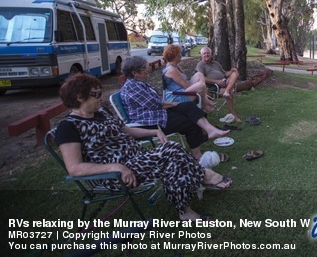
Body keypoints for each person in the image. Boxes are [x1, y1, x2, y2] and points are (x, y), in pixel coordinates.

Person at [53, 73, 232, 221]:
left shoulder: (100, 113)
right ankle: (203, 176)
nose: (101, 98)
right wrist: (117, 167)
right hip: (116, 175)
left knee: (172, 151)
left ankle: (186, 208)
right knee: (171, 152)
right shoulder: (68, 127)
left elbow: (126, 130)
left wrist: (153, 132)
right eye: (96, 94)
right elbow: (75, 168)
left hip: (137, 160)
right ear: (79, 97)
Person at [120, 56, 229, 160]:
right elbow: (155, 104)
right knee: (190, 122)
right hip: (150, 122)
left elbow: (156, 102)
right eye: (144, 68)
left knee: (188, 106)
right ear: (135, 73)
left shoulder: (138, 83)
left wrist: (172, 104)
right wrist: (172, 104)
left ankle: (210, 130)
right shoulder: (133, 87)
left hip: (158, 113)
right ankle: (197, 156)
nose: (147, 70)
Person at [162, 44, 215, 112]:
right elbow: (186, 86)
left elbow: (186, 84)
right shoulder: (172, 70)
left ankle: (205, 102)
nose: (181, 56)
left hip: (182, 91)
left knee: (199, 74)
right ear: (175, 57)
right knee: (201, 85)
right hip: (176, 96)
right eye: (179, 54)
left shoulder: (176, 66)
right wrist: (199, 88)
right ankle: (205, 104)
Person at [196, 47, 240, 122]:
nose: (206, 54)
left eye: (208, 53)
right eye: (204, 53)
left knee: (235, 73)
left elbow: (225, 74)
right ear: (201, 55)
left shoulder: (216, 63)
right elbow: (202, 78)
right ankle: (233, 115)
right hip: (213, 86)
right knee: (230, 92)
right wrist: (217, 81)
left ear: (211, 54)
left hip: (224, 82)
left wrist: (231, 71)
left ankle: (226, 91)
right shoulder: (200, 65)